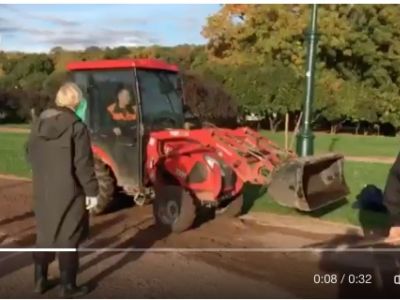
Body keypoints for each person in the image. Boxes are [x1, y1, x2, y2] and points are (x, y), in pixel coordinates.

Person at [26, 82, 99, 297]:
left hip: (43, 187)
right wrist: (92, 192)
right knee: (68, 237)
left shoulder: (38, 124)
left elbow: (29, 155)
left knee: (45, 234)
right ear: (76, 102)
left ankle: (40, 281)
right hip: (70, 189)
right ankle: (68, 287)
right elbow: (83, 164)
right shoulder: (77, 127)